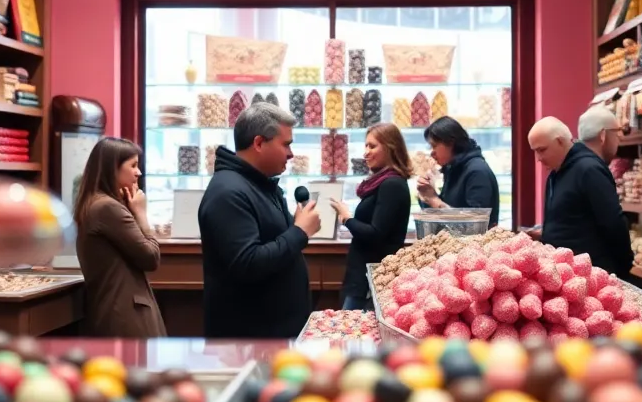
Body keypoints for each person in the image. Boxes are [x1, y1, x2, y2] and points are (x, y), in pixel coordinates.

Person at [198, 102, 321, 338]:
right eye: (286, 144)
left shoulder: (259, 184)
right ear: (258, 143)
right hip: (249, 342)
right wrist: (299, 232)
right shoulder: (228, 193)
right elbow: (248, 263)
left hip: (272, 335)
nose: (291, 154)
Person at [73, 136, 166, 337]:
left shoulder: (93, 203)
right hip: (125, 316)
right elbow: (151, 257)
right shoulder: (108, 207)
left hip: (113, 310)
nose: (138, 172)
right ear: (112, 168)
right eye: (132, 165)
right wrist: (141, 214)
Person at [527, 113, 635, 280]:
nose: (538, 158)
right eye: (535, 151)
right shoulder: (556, 173)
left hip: (592, 275)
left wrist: (623, 265)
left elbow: (613, 222)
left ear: (561, 141)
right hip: (567, 274)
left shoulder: (589, 169)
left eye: (542, 150)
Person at [330, 123, 412, 311]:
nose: (366, 152)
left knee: (352, 333)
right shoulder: (384, 183)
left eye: (372, 146)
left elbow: (376, 234)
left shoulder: (391, 184)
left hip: (373, 278)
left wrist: (346, 218)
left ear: (391, 148)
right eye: (365, 146)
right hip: (366, 276)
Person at [416, 116, 500, 227]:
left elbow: (475, 225)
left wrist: (434, 200)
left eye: (434, 146)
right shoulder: (453, 168)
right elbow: (442, 219)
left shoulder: (477, 171)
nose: (432, 153)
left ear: (450, 143)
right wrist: (426, 195)